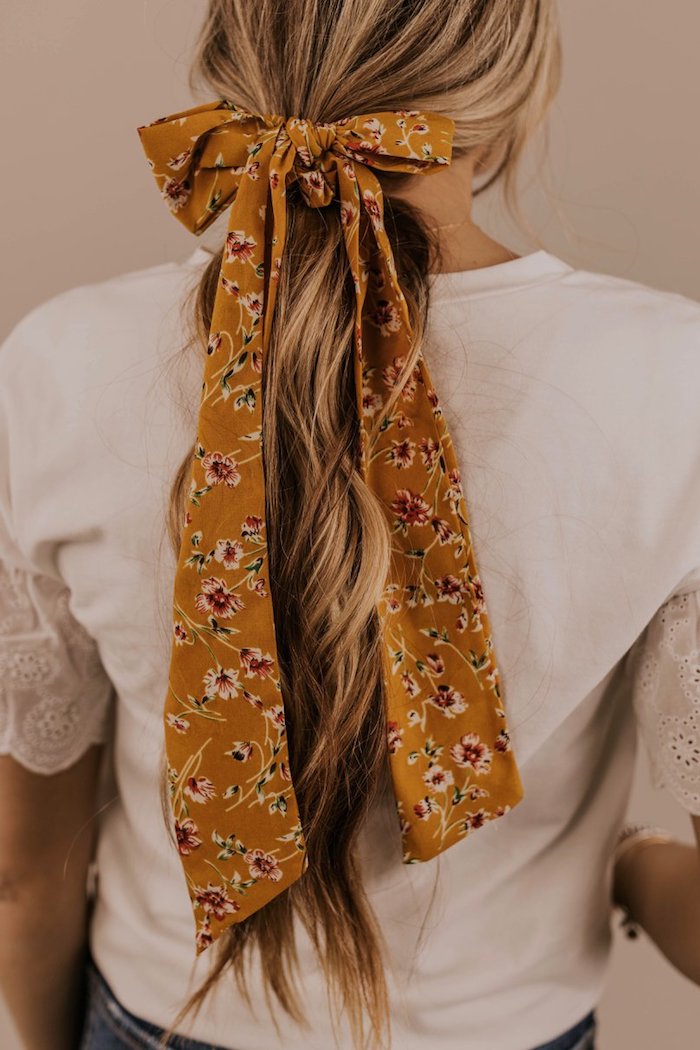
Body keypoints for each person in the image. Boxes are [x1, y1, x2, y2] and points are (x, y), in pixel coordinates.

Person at [0, 2, 699, 1049]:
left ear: (225, 68)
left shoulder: (56, 363)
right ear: (508, 100)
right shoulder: (672, 384)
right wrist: (640, 866)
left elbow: (23, 868)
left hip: (148, 1019)